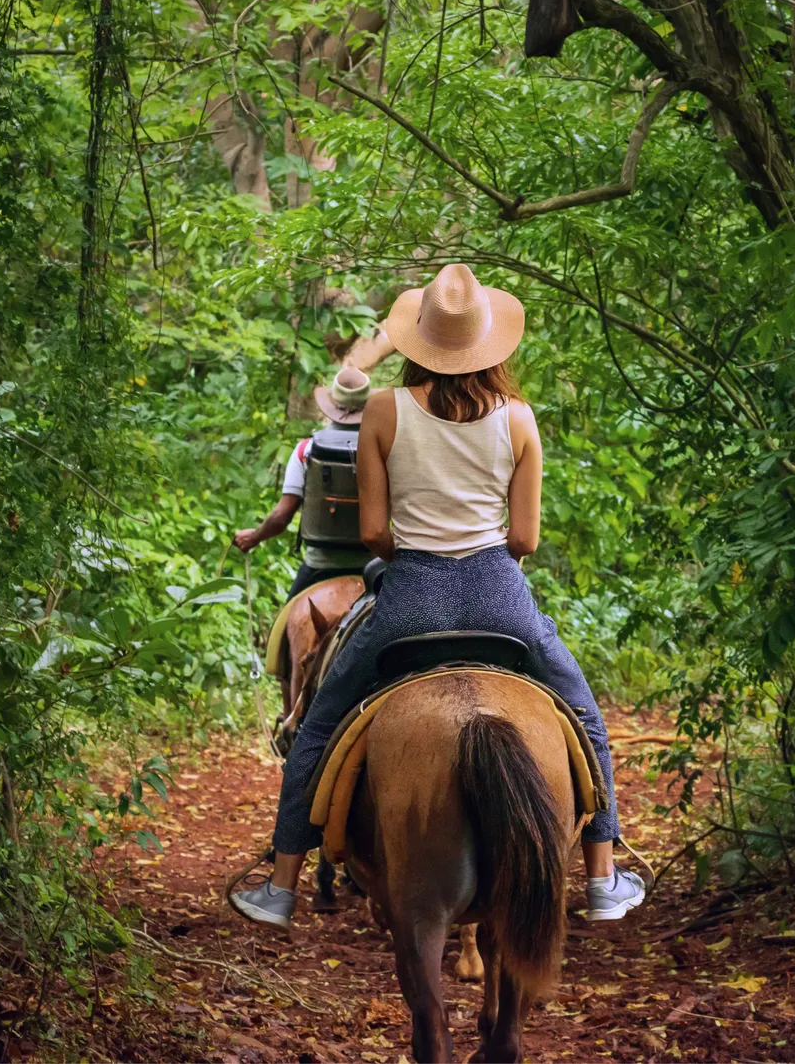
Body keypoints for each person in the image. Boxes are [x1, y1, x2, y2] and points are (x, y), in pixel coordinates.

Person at [230, 263, 644, 928]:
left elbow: (371, 532)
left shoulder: (386, 411)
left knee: (315, 724)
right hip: (498, 596)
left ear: (420, 342)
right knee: (584, 715)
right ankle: (602, 879)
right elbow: (526, 539)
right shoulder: (520, 418)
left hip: (409, 599)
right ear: (489, 343)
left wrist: (416, 556)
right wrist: (479, 556)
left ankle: (280, 885)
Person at [234, 366, 376, 598]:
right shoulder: (385, 450)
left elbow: (282, 516)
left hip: (320, 567)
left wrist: (254, 536)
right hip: (370, 568)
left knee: (281, 632)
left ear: (332, 404)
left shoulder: (306, 450)